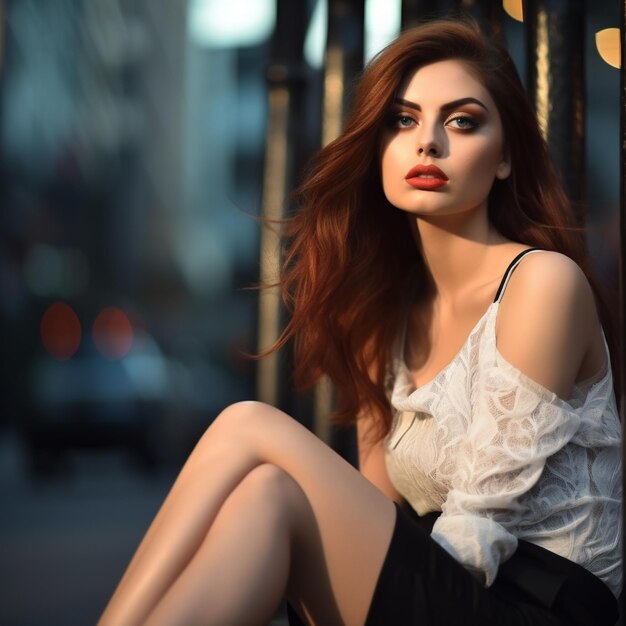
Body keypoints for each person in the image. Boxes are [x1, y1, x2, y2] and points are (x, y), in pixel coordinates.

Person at [97, 18, 621, 626]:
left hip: (528, 602)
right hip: (446, 583)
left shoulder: (542, 283)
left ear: (505, 158)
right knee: (269, 498)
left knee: (247, 424)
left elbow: (483, 520)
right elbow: (373, 511)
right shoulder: (390, 323)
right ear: (378, 149)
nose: (428, 143)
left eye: (462, 121)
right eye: (403, 120)